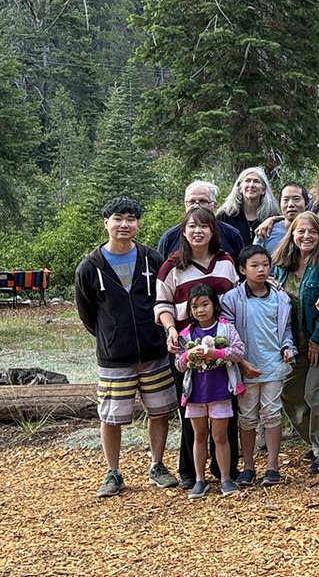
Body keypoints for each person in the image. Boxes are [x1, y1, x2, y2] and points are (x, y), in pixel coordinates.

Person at [76, 197, 178, 498]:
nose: (125, 224)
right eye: (118, 218)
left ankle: (157, 465)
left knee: (159, 412)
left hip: (153, 351)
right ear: (105, 222)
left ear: (137, 223)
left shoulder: (150, 259)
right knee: (111, 416)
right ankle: (113, 472)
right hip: (114, 357)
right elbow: (87, 313)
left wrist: (156, 334)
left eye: (131, 218)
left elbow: (164, 297)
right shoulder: (90, 266)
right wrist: (110, 336)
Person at [155, 206, 240, 490]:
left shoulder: (226, 262)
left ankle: (225, 471)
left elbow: (238, 298)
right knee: (191, 411)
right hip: (186, 348)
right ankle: (192, 473)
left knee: (225, 410)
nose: (198, 231)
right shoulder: (173, 265)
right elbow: (163, 304)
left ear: (213, 231)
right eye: (192, 226)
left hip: (222, 349)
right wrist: (171, 330)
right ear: (183, 231)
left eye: (204, 226)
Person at [272, 211, 319, 475]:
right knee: (290, 395)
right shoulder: (281, 264)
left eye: (312, 232)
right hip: (291, 344)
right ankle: (317, 441)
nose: (306, 236)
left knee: (315, 396)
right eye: (301, 231)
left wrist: (317, 339)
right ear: (292, 233)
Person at [221, 244, 294, 488]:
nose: (261, 270)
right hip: (244, 368)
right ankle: (249, 466)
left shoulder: (280, 298)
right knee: (247, 417)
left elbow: (285, 331)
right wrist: (241, 363)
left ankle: (273, 467)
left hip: (273, 366)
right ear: (242, 270)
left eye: (265, 265)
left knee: (272, 414)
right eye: (254, 266)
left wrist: (287, 348)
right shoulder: (232, 299)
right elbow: (227, 334)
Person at [175, 284, 245, 499]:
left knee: (220, 436)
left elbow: (239, 351)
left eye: (205, 304)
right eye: (195, 306)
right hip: (195, 394)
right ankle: (199, 479)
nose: (200, 310)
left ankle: (225, 478)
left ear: (215, 305)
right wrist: (189, 356)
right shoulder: (186, 334)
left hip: (220, 391)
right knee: (199, 435)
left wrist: (216, 353)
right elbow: (178, 363)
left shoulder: (226, 329)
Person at [158, 181, 244, 257]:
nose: (196, 206)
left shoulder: (232, 235)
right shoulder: (169, 238)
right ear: (185, 205)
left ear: (214, 206)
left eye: (203, 201)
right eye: (191, 202)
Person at [216, 166, 281, 247]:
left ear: (263, 190)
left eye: (256, 181)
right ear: (240, 188)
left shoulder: (272, 218)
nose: (251, 185)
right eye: (247, 181)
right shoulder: (224, 217)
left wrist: (274, 219)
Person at [253, 181, 309, 254]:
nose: (290, 204)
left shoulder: (313, 232)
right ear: (280, 205)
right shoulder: (266, 231)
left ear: (306, 203)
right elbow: (253, 259)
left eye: (296, 199)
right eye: (285, 200)